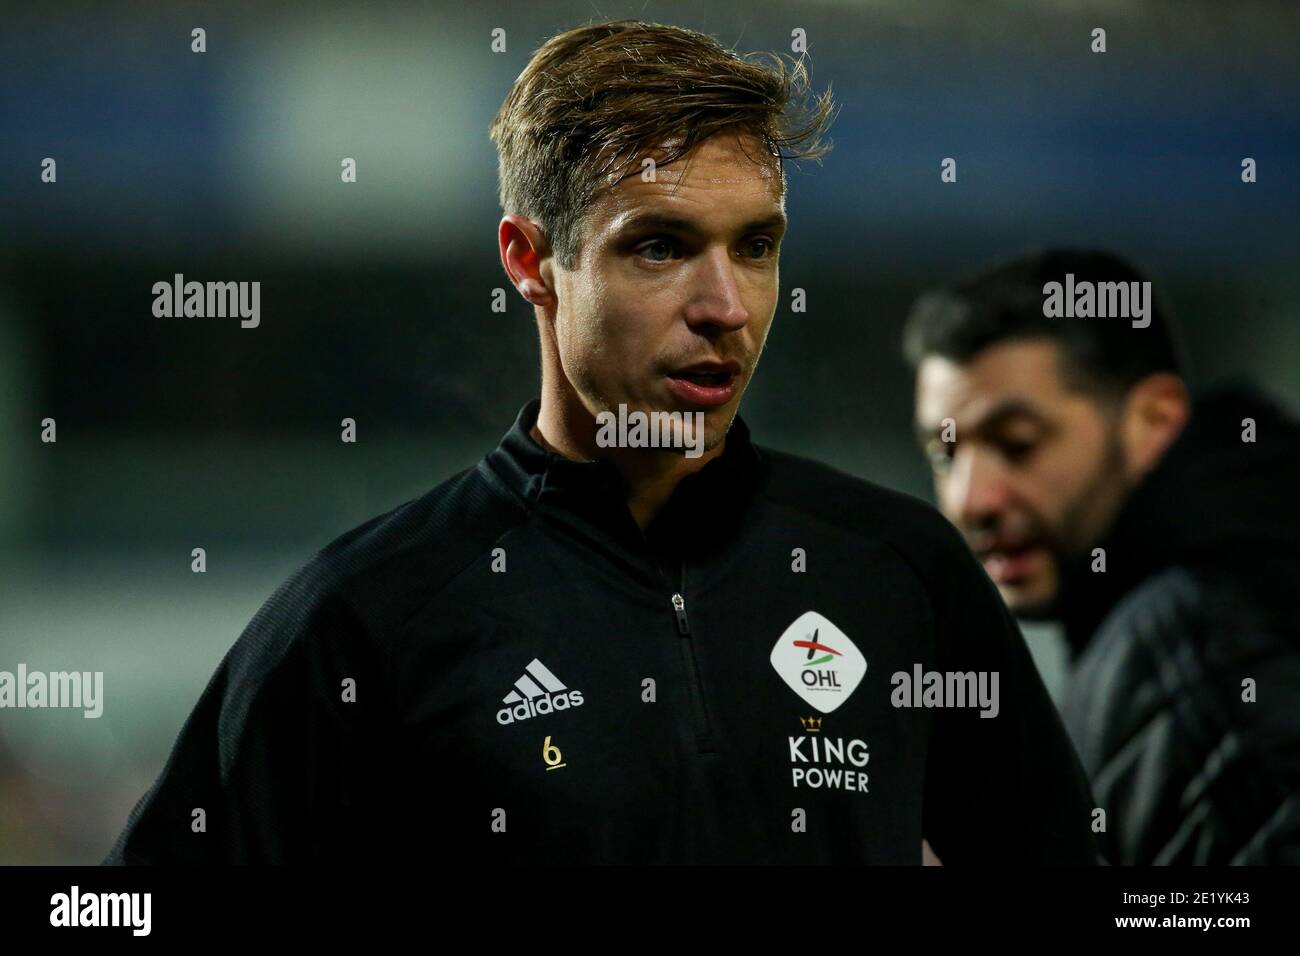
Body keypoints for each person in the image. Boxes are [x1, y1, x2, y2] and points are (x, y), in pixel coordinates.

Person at [103, 20, 1098, 865]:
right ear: (532, 260)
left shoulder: (897, 571)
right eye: (659, 246)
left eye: (755, 246)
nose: (725, 307)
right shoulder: (369, 615)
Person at [904, 248, 1300, 864]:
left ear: (1153, 419)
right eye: (944, 454)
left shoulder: (1191, 651)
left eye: (1017, 443)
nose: (969, 498)